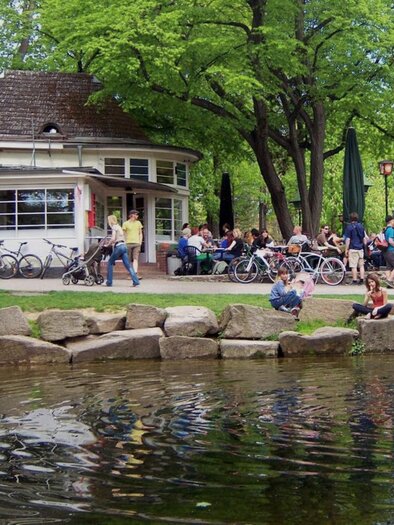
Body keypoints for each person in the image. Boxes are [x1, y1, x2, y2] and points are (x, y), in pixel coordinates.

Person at [106, 215, 140, 287]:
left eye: (108, 220)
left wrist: (108, 244)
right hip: (124, 246)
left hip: (119, 247)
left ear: (111, 221)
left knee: (110, 262)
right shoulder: (119, 227)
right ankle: (136, 281)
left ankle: (109, 282)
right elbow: (122, 237)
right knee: (128, 266)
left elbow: (113, 238)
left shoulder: (114, 227)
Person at [344, 212, 367, 284]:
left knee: (353, 266)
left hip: (353, 248)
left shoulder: (349, 227)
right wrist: (364, 247)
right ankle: (362, 279)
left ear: (350, 219)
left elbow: (348, 239)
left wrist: (346, 249)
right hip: (360, 249)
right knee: (361, 265)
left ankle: (354, 280)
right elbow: (364, 238)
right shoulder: (361, 226)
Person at [122, 209, 143, 278]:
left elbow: (140, 233)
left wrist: (140, 242)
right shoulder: (125, 223)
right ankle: (130, 273)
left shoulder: (138, 223)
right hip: (128, 243)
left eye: (137, 214)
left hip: (136, 243)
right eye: (136, 214)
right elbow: (124, 234)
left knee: (135, 259)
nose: (137, 215)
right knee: (128, 260)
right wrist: (124, 243)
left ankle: (135, 274)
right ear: (132, 215)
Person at [384, 215, 394, 287]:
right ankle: (390, 280)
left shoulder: (386, 230)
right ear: (391, 221)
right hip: (391, 250)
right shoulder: (391, 230)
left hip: (386, 251)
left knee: (389, 267)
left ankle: (388, 282)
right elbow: (390, 240)